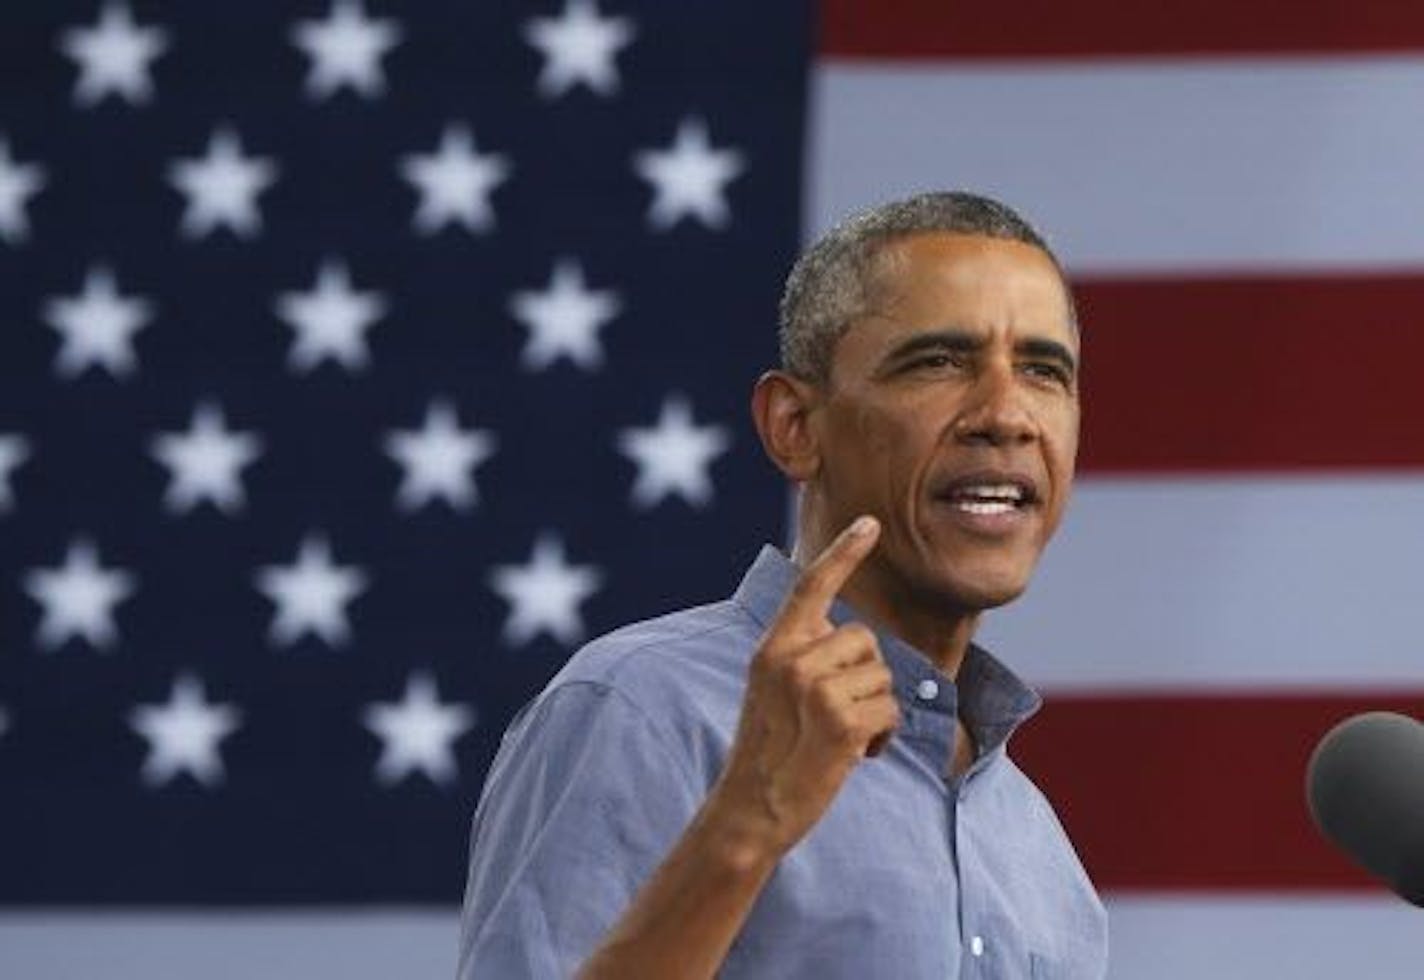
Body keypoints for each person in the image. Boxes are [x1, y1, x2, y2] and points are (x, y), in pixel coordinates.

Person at [457, 191, 1108, 979]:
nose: (1006, 414)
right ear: (794, 427)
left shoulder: (1039, 850)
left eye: (1044, 370)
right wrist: (744, 827)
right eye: (938, 361)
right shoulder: (641, 709)